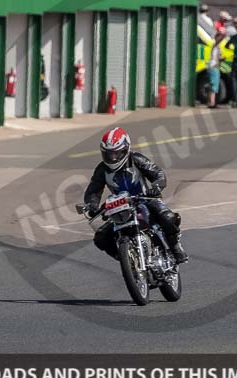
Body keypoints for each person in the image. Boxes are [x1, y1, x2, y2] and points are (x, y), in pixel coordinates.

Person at [84, 128, 188, 263]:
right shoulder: (102, 169)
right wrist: (92, 206)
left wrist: (155, 187)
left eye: (116, 153)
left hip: (145, 199)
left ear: (126, 149)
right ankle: (126, 259)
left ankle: (175, 246)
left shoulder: (136, 159)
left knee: (167, 217)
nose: (112, 158)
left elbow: (158, 174)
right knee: (100, 237)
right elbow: (93, 191)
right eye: (108, 154)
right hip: (120, 206)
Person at [207, 31, 225, 108]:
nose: (221, 39)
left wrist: (221, 59)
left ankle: (212, 102)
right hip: (214, 67)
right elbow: (215, 58)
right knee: (214, 85)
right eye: (219, 37)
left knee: (214, 85)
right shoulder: (215, 47)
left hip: (214, 67)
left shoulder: (216, 47)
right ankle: (212, 103)